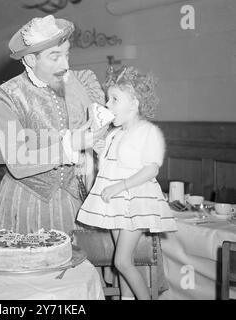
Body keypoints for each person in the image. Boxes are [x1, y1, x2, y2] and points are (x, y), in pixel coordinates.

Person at [0, 15, 107, 234]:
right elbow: (17, 162)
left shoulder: (78, 82)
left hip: (70, 201)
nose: (65, 65)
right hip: (27, 204)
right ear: (30, 60)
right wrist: (70, 145)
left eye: (67, 54)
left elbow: (98, 130)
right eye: (54, 56)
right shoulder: (7, 96)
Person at [77, 66, 177, 300]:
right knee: (122, 262)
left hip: (135, 201)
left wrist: (119, 187)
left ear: (135, 102)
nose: (108, 105)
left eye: (114, 99)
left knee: (121, 261)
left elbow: (151, 169)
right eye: (107, 99)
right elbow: (107, 165)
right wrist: (96, 145)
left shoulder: (148, 131)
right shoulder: (114, 133)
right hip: (114, 204)